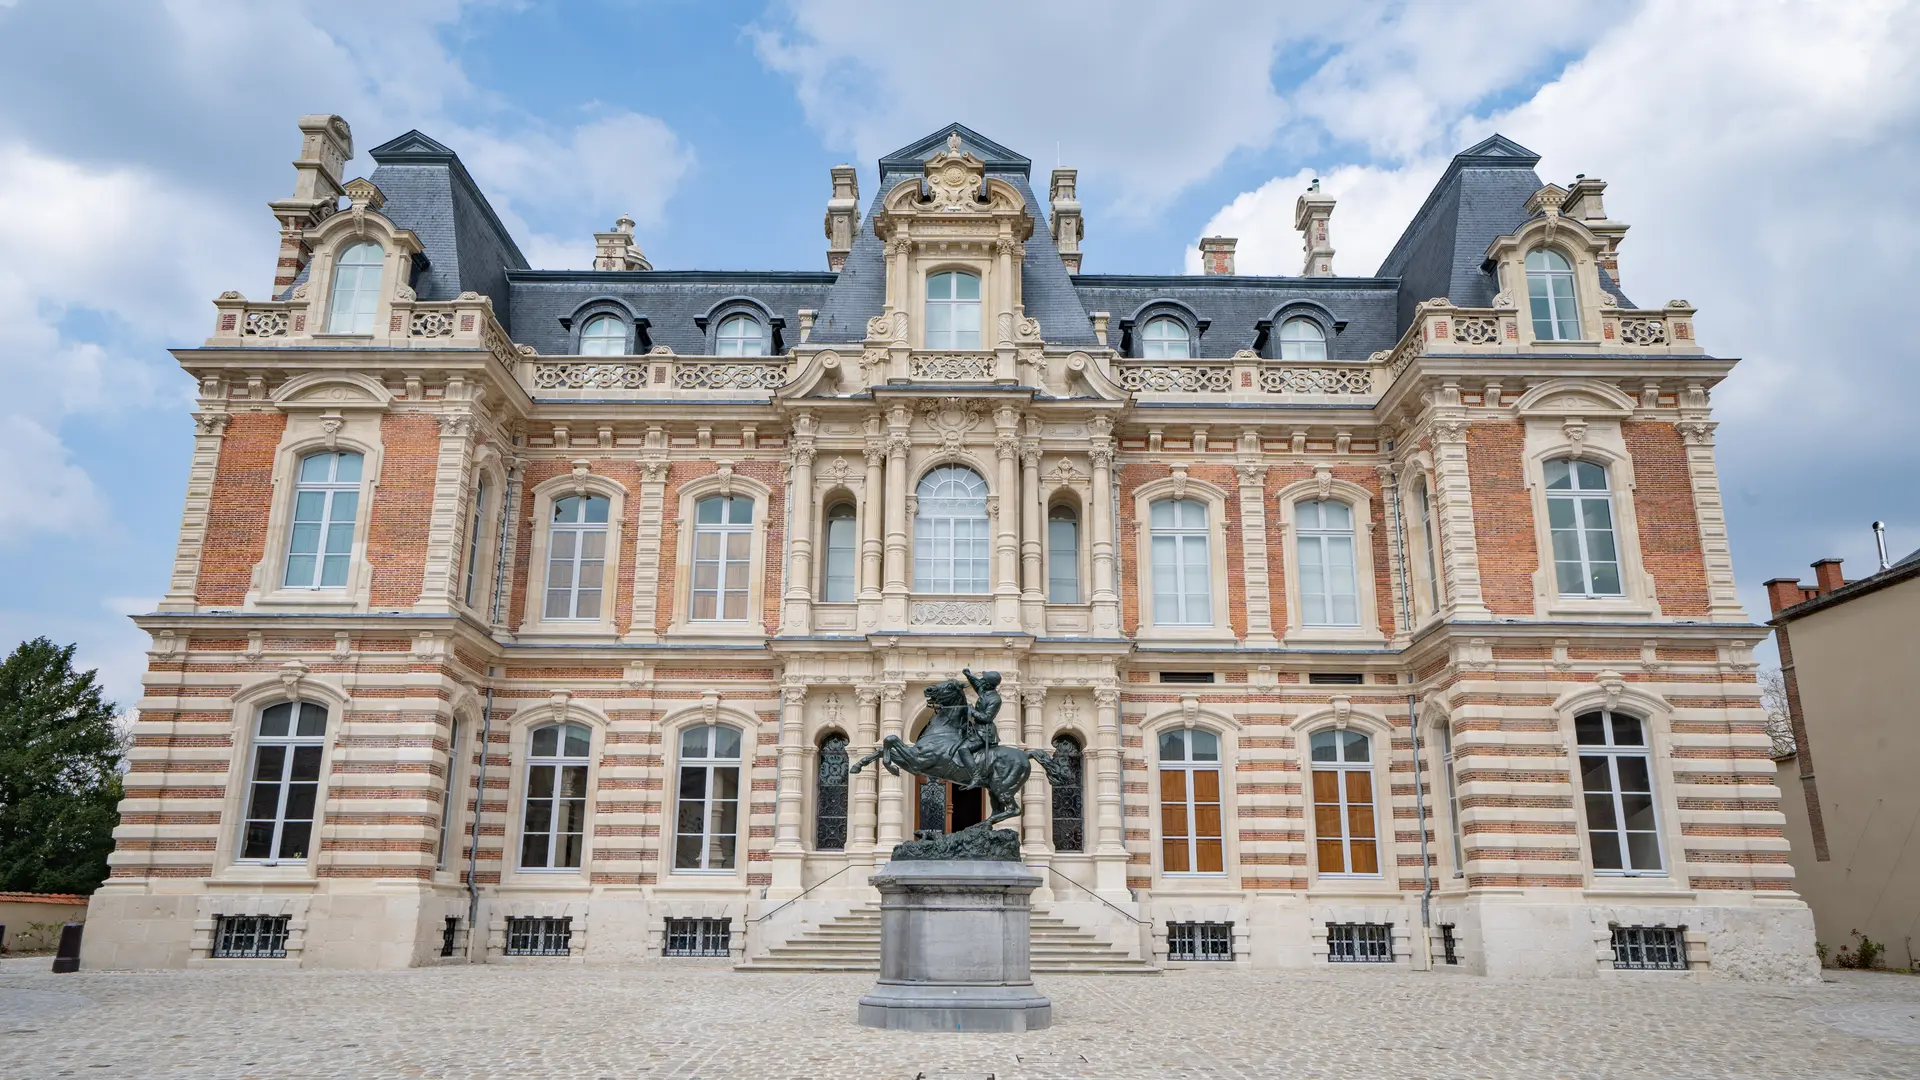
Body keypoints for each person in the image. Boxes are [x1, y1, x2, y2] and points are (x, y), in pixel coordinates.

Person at [956, 668, 1002, 774]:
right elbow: (977, 684)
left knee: (963, 749)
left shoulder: (995, 699)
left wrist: (971, 711)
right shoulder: (985, 692)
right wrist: (968, 675)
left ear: (988, 684)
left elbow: (987, 718)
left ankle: (976, 776)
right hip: (976, 728)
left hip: (984, 732)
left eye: (983, 680)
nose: (981, 680)